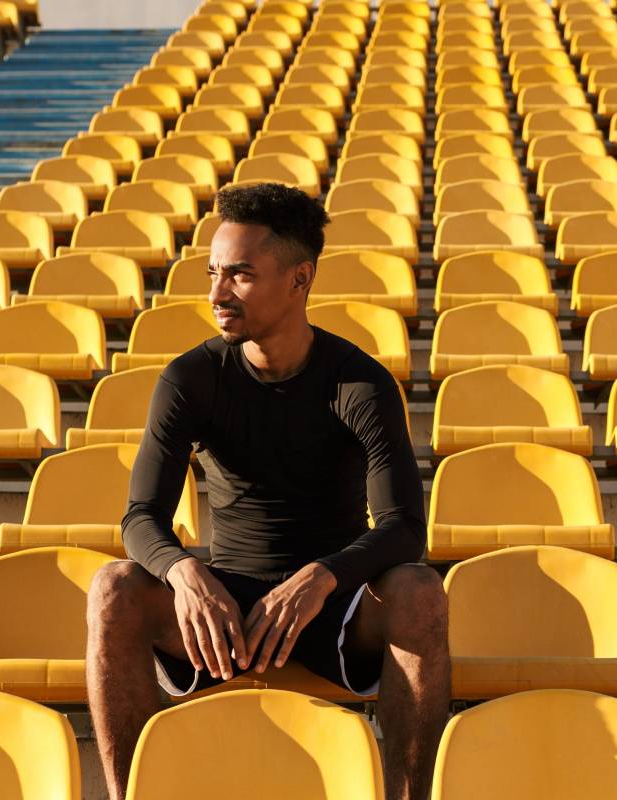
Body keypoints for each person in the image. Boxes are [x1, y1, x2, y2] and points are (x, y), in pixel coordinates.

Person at [86, 182, 451, 800]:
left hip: (331, 608)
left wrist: (322, 577)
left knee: (419, 591)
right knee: (114, 587)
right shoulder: (191, 378)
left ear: (299, 280)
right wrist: (183, 572)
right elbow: (141, 518)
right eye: (213, 273)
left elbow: (403, 527)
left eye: (241, 275)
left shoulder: (358, 382)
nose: (217, 294)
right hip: (225, 611)